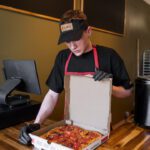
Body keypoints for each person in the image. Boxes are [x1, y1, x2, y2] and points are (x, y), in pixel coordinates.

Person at [19, 9, 133, 145]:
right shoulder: (63, 57)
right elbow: (52, 95)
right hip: (68, 129)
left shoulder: (109, 56)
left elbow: (127, 92)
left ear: (89, 31)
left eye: (76, 38)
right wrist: (36, 124)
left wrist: (108, 86)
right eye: (67, 41)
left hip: (100, 131)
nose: (72, 46)